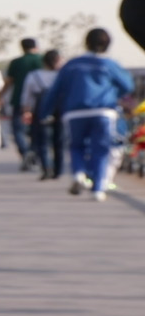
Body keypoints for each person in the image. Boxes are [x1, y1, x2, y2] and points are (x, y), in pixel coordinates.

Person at [39, 28, 134, 201]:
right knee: (101, 149)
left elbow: (55, 90)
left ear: (86, 42)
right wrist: (113, 92)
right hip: (104, 111)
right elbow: (128, 86)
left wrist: (45, 112)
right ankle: (98, 189)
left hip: (75, 112)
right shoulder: (109, 64)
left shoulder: (72, 64)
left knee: (76, 146)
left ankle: (78, 174)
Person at [21, 49, 63, 179]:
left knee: (42, 141)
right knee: (59, 141)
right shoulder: (62, 75)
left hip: (41, 110)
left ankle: (46, 168)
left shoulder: (34, 75)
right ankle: (58, 170)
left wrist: (26, 111)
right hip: (60, 109)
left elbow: (27, 96)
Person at [5, 38, 43, 169]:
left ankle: (25, 152)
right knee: (37, 130)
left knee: (18, 130)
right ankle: (33, 153)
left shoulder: (16, 62)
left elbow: (9, 81)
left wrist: (0, 96)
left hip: (19, 100)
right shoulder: (42, 60)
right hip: (39, 101)